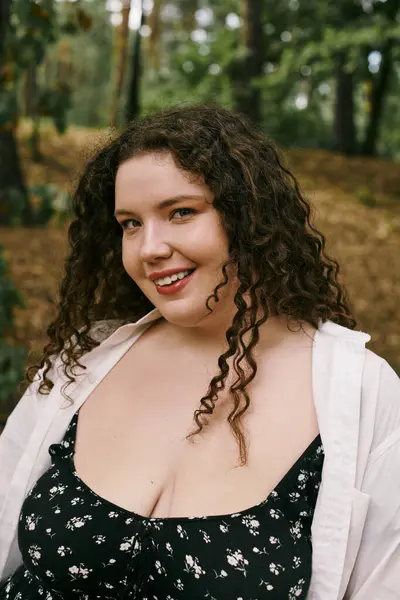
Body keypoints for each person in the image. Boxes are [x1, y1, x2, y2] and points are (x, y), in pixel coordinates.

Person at [0, 104, 399, 600]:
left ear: (249, 215)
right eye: (130, 223)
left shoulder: (360, 393)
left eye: (181, 212)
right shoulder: (84, 365)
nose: (149, 248)